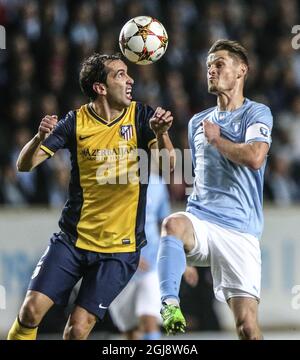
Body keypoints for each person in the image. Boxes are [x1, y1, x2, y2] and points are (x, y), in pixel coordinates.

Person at [7, 53, 175, 340]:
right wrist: (38, 137)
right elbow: (24, 165)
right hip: (73, 240)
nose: (130, 79)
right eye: (120, 74)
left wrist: (161, 135)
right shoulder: (76, 122)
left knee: (78, 329)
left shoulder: (141, 116)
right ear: (100, 87)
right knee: (30, 311)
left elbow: (168, 165)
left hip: (119, 251)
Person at [157, 39, 273, 340]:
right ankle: (170, 304)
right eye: (209, 65)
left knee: (247, 328)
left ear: (241, 71)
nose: (211, 69)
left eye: (219, 63)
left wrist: (217, 141)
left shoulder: (256, 113)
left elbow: (255, 158)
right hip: (203, 220)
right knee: (172, 224)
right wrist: (161, 137)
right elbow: (183, 171)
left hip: (240, 230)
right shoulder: (197, 121)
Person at [109, 173, 199, 340]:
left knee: (149, 319)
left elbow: (163, 225)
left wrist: (182, 261)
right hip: (121, 267)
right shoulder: (114, 182)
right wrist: (127, 255)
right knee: (130, 330)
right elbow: (107, 226)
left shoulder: (157, 184)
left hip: (152, 264)